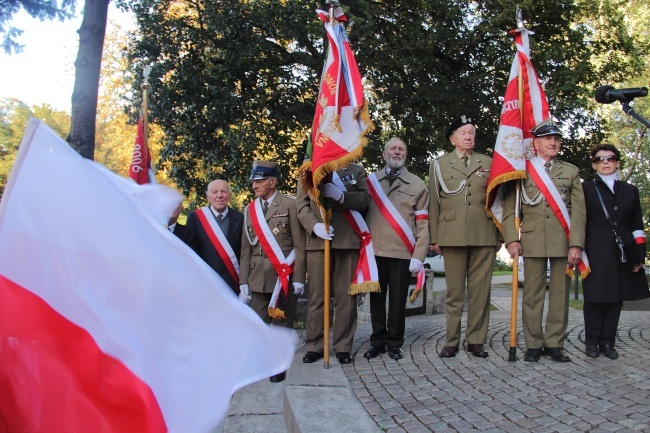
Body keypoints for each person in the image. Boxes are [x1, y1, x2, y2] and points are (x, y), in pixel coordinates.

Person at [502, 118, 586, 363]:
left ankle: (554, 343)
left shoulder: (571, 171)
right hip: (532, 240)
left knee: (560, 295)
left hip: (563, 239)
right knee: (532, 295)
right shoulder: (521, 170)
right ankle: (534, 344)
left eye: (557, 139)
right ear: (536, 143)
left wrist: (576, 244)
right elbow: (510, 211)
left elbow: (579, 213)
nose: (553, 142)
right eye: (548, 138)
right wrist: (511, 240)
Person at [428, 114, 500, 358]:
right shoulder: (439, 164)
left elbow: (499, 201)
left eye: (471, 132)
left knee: (481, 291)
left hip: (484, 233)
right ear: (452, 139)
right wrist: (434, 237)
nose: (469, 137)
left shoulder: (489, 162)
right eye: (463, 133)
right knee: (455, 293)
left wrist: (500, 235)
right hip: (452, 235)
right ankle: (451, 340)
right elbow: (434, 203)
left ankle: (476, 340)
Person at [362, 138, 429, 360]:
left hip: (402, 253)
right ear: (384, 154)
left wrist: (419, 256)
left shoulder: (418, 185)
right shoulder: (369, 182)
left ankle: (394, 343)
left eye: (401, 149)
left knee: (398, 302)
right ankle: (377, 341)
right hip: (375, 252)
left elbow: (423, 224)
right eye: (393, 148)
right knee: (377, 301)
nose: (397, 152)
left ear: (406, 155)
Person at [239, 161, 306, 382]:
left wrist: (298, 279)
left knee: (281, 326)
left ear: (272, 182)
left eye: (259, 181)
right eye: (253, 182)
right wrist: (243, 282)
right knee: (258, 324)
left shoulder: (289, 205)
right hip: (257, 277)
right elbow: (246, 247)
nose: (254, 186)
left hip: (283, 278)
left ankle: (279, 367)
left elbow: (299, 245)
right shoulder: (250, 209)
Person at [297, 163, 370, 365]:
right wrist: (315, 226)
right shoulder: (309, 169)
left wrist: (341, 196)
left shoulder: (355, 170)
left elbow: (365, 200)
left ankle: (343, 346)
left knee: (346, 298)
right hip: (319, 242)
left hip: (347, 241)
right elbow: (301, 205)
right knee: (317, 298)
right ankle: (315, 345)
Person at [581, 144, 648, 359]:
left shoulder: (630, 190)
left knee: (616, 297)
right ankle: (592, 341)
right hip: (595, 251)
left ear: (617, 162)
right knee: (594, 297)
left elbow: (637, 225)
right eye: (600, 159)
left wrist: (639, 255)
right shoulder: (586, 189)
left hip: (623, 253)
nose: (606, 162)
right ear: (594, 165)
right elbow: (580, 222)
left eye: (610, 158)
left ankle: (608, 342)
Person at [186, 179, 244, 294]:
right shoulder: (195, 218)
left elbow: (245, 252)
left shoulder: (241, 218)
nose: (219, 196)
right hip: (206, 283)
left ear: (229, 196)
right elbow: (190, 253)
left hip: (233, 284)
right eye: (214, 192)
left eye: (223, 191)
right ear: (208, 197)